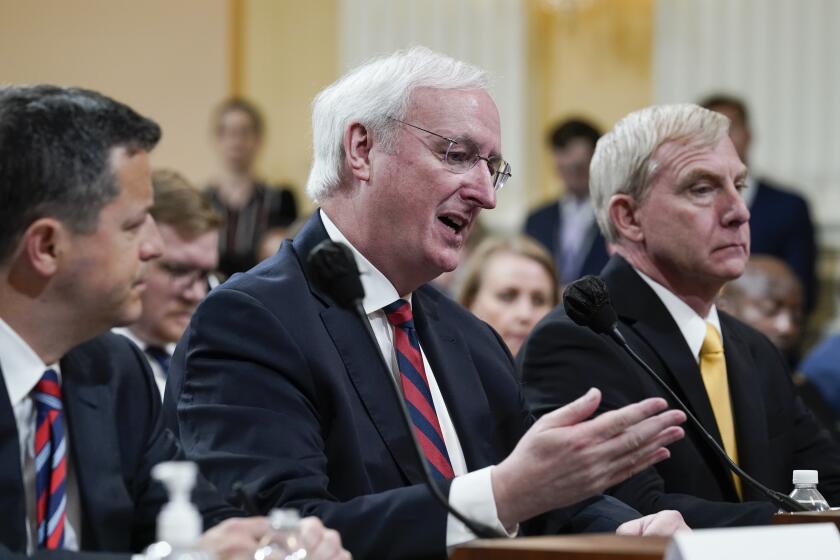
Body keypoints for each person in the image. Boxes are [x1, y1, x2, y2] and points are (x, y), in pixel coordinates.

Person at [165, 47, 688, 560]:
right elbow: (280, 533)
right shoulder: (250, 319)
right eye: (457, 156)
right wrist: (500, 494)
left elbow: (541, 498)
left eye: (493, 168)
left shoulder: (472, 338)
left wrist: (630, 529)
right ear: (362, 151)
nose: (487, 195)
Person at [0, 85, 349, 560]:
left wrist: (273, 544)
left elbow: (198, 517)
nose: (153, 247)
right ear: (46, 247)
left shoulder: (115, 370)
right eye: (132, 225)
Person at [519, 103, 840, 528]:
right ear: (629, 217)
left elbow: (827, 481)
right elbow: (640, 512)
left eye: (738, 186)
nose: (738, 212)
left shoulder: (753, 347)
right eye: (702, 189)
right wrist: (796, 530)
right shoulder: (578, 341)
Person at [700, 94, 818, 314]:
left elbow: (803, 292)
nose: (722, 139)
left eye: (730, 128)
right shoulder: (682, 207)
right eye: (710, 131)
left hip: (768, 332)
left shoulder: (789, 207)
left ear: (749, 135)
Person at [114, 170, 222, 397]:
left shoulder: (214, 352)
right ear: (135, 254)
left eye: (205, 274)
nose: (196, 293)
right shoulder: (88, 363)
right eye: (178, 270)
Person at [717, 256, 840, 438]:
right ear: (724, 307)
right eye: (770, 311)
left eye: (797, 317)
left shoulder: (802, 392)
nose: (787, 327)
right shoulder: (706, 384)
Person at [205, 98, 299, 277]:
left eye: (244, 132)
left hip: (263, 295)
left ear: (258, 139)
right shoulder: (201, 200)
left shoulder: (281, 199)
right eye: (228, 132)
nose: (236, 141)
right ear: (217, 139)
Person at [524, 118, 609, 284]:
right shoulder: (537, 219)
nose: (572, 176)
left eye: (579, 168)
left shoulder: (614, 217)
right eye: (565, 168)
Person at [457, 236, 558, 357]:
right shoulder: (437, 371)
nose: (525, 314)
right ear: (469, 302)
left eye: (539, 301)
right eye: (507, 296)